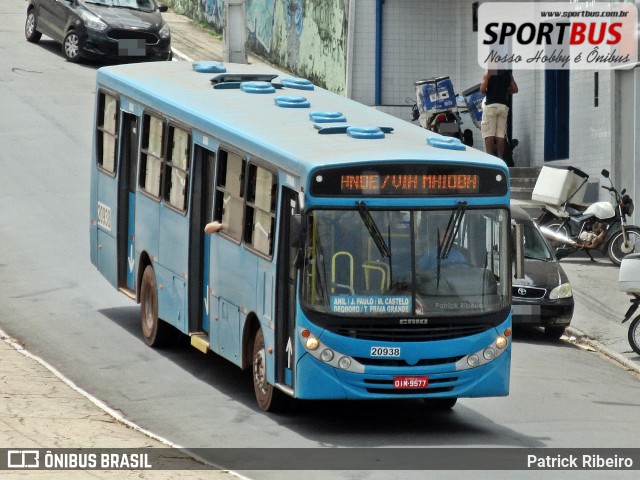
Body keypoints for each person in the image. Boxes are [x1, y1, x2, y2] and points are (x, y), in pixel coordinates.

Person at [479, 69, 518, 160]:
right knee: (500, 134)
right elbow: (515, 89)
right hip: (503, 106)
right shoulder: (507, 73)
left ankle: (490, 158)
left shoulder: (489, 72)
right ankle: (500, 158)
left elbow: (482, 89)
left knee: (489, 133)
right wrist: (505, 90)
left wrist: (490, 90)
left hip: (491, 106)